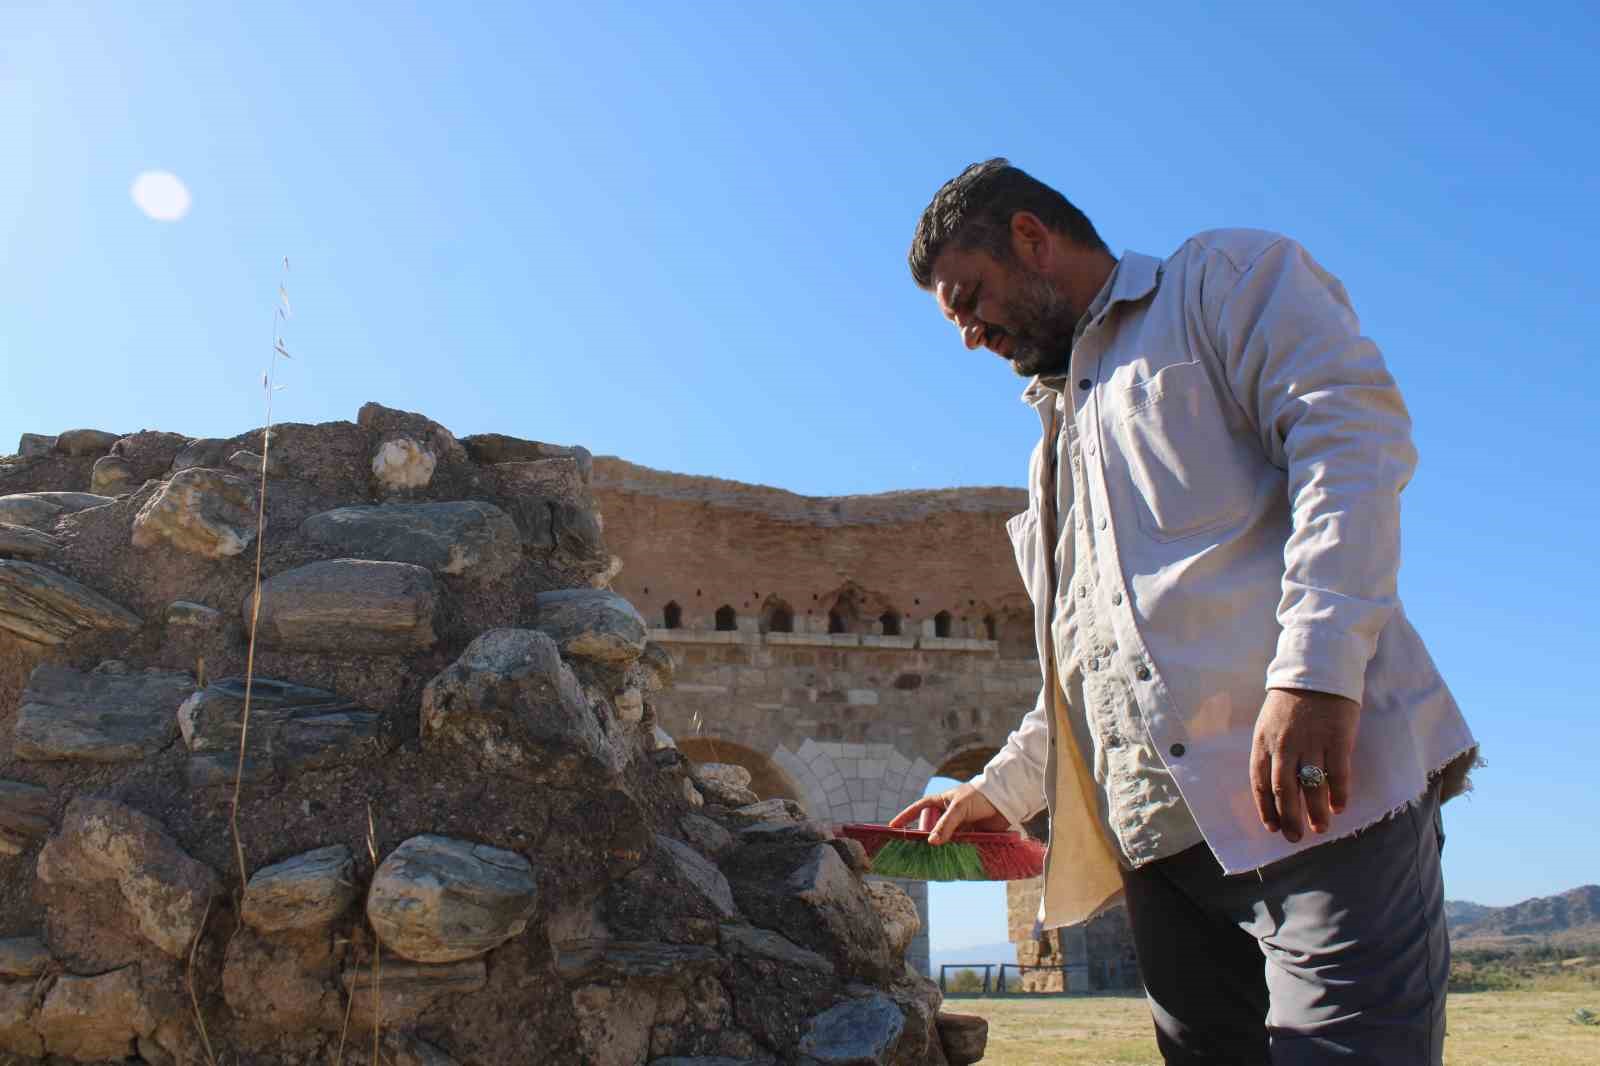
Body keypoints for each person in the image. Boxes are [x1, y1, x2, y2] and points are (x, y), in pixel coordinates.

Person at [892, 158, 1478, 1065]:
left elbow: (1351, 439)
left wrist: (1317, 672)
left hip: (1317, 810)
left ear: (1030, 238)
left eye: (970, 298)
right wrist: (995, 791)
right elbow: (1090, 666)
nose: (969, 333)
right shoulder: (1051, 448)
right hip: (1162, 856)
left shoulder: (1218, 283)